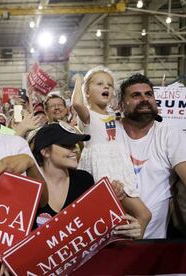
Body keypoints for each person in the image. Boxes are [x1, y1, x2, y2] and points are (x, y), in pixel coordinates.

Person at [72, 67, 151, 237]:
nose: (106, 87)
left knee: (118, 218)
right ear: (87, 91)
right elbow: (77, 103)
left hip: (119, 166)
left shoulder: (112, 114)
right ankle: (136, 247)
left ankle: (130, 246)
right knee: (144, 214)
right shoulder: (88, 116)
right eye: (99, 84)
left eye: (109, 84)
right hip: (103, 169)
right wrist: (78, 80)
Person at [32, 122, 145, 238]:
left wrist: (129, 228)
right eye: (66, 145)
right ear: (45, 151)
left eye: (75, 144)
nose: (75, 150)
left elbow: (95, 226)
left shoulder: (83, 180)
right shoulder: (30, 187)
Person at [117, 73, 186, 238]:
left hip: (153, 243)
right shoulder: (109, 132)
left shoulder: (169, 134)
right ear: (120, 105)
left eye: (149, 94)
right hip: (109, 239)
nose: (144, 99)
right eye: (136, 95)